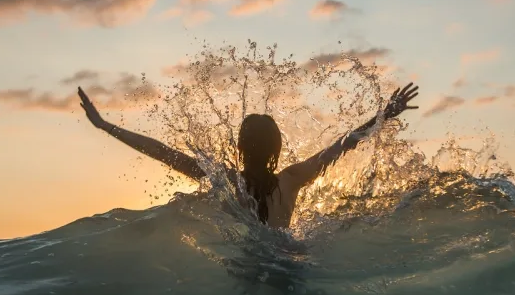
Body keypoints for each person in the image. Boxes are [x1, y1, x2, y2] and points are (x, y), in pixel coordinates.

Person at [77, 83, 419, 228]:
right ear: (277, 150)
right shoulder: (292, 178)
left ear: (239, 147)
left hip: (250, 267)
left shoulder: (224, 180)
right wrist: (384, 115)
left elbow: (162, 153)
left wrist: (105, 125)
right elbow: (344, 144)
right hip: (290, 260)